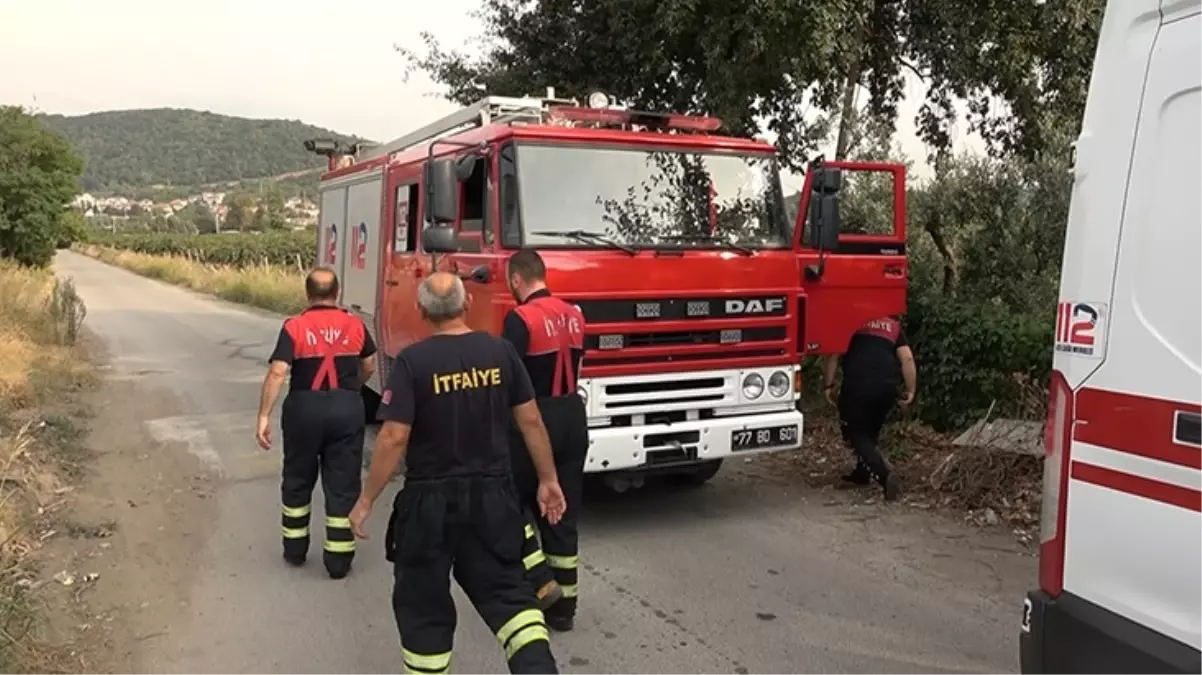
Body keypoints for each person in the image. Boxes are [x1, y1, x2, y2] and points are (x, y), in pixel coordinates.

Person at [348, 272, 566, 675]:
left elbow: (394, 437)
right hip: (494, 498)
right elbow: (531, 421)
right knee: (510, 598)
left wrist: (366, 500)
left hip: (430, 503)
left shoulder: (414, 362)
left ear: (421, 311)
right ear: (467, 305)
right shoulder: (500, 352)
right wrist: (548, 480)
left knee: (423, 604)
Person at [255, 267, 377, 579]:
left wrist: (264, 415)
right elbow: (369, 364)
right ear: (337, 293)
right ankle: (338, 562)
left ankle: (295, 550)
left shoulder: (294, 326)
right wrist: (352, 390)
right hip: (347, 408)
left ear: (308, 294)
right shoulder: (355, 325)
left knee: (297, 478)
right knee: (343, 483)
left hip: (303, 411)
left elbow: (278, 372)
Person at [501, 249, 588, 633]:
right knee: (561, 510)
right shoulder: (574, 314)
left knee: (508, 500)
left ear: (517, 279)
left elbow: (509, 380)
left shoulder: (520, 319)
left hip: (534, 419)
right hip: (572, 414)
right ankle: (564, 610)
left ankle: (538, 577)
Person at [822, 315, 916, 502]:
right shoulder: (893, 327)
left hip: (858, 385)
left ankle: (884, 475)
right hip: (887, 388)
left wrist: (828, 385)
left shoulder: (849, 321)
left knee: (854, 433)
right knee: (870, 431)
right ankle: (862, 473)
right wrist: (911, 389)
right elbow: (907, 358)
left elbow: (832, 354)